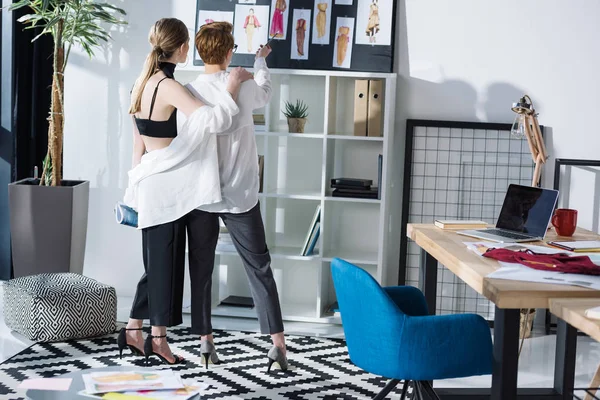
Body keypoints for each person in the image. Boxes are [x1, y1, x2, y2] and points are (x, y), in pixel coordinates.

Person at [117, 18, 252, 366]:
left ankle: (134, 328)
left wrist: (136, 179)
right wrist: (232, 87)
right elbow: (216, 121)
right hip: (166, 184)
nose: (188, 49)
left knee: (160, 262)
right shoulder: (167, 85)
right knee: (164, 265)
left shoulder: (142, 81)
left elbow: (138, 141)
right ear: (179, 48)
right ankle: (158, 339)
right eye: (187, 43)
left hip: (150, 178)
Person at [180, 21, 288, 372]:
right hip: (241, 193)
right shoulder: (242, 87)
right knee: (260, 267)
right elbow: (266, 92)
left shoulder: (188, 90)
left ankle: (205, 343)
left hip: (202, 195)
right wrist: (259, 62)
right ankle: (277, 346)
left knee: (201, 269)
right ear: (229, 53)